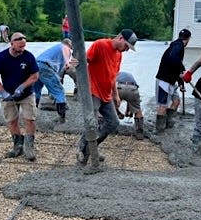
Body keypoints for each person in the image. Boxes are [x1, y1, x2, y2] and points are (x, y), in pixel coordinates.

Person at [77, 29, 138, 165]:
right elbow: (83, 60)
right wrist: (74, 62)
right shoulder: (100, 45)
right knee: (91, 122)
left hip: (106, 94)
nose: (127, 50)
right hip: (93, 91)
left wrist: (115, 95)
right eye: (127, 46)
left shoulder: (118, 55)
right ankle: (83, 148)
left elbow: (112, 76)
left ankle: (92, 148)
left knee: (113, 122)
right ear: (120, 38)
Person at [0, 32, 39, 160]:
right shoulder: (1, 58)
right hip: (8, 94)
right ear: (12, 44)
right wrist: (3, 92)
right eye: (20, 47)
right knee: (11, 121)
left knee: (29, 119)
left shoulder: (28, 57)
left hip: (26, 94)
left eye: (24, 46)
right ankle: (18, 146)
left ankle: (29, 146)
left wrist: (22, 86)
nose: (22, 49)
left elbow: (35, 76)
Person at [155, 28, 191, 133]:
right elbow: (173, 59)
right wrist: (182, 69)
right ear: (188, 39)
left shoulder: (177, 45)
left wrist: (181, 84)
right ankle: (160, 129)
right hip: (164, 80)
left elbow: (177, 67)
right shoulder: (178, 46)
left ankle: (169, 124)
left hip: (171, 80)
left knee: (176, 101)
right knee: (163, 105)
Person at [34, 38, 76, 122]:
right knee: (59, 92)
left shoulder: (56, 47)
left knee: (36, 91)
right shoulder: (66, 49)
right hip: (46, 67)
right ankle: (62, 118)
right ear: (70, 44)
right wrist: (58, 79)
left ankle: (31, 115)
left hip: (35, 65)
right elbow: (64, 67)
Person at [115, 71, 144, 140]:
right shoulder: (129, 75)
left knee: (110, 105)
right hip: (132, 88)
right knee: (138, 111)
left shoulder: (115, 74)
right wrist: (130, 111)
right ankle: (139, 133)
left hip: (119, 87)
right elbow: (129, 100)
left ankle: (117, 115)